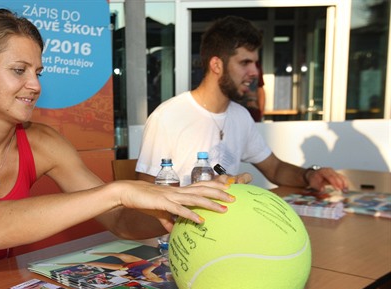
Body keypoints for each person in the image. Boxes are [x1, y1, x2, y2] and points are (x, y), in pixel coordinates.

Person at [0, 9, 235, 286]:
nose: (34, 85)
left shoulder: (43, 142)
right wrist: (117, 191)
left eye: (37, 72)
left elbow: (120, 221)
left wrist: (188, 206)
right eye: (19, 71)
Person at [136, 16, 348, 191]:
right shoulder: (168, 117)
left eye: (255, 63)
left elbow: (274, 169)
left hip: (224, 228)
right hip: (179, 237)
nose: (255, 72)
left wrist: (310, 174)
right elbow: (145, 195)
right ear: (216, 65)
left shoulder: (240, 115)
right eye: (245, 62)